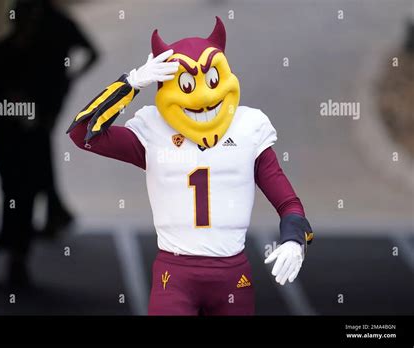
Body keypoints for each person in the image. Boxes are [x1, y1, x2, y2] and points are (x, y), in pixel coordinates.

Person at [68, 17, 313, 315]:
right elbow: (82, 134)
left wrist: (294, 239)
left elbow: (288, 203)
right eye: (187, 84)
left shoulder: (249, 126)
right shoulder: (153, 128)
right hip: (175, 275)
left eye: (210, 81)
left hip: (233, 276)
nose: (203, 97)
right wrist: (130, 83)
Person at [0, 0, 98, 284]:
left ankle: (16, 249)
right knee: (20, 194)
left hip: (13, 135)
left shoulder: (0, 54)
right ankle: (18, 250)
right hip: (21, 135)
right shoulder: (33, 56)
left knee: (17, 193)